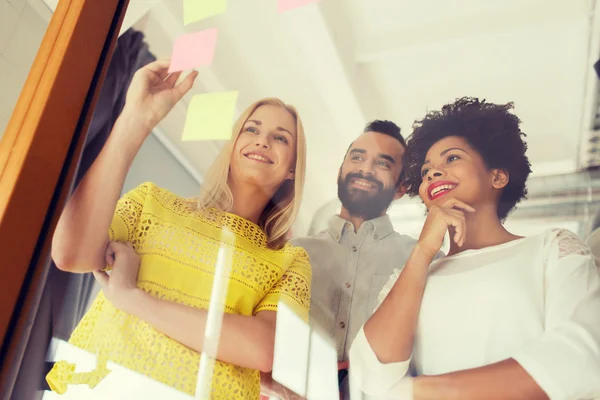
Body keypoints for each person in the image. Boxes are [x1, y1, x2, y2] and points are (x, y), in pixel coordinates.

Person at [45, 59, 311, 400]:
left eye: (280, 138)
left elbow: (262, 348)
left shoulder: (289, 261)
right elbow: (70, 254)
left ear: (292, 169)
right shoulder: (150, 202)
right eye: (252, 129)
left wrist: (132, 299)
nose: (262, 141)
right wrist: (135, 120)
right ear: (232, 145)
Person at [349, 97, 600, 400]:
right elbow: (371, 374)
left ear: (498, 176)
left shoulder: (553, 248)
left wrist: (421, 391)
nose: (433, 173)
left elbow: (580, 358)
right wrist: (423, 250)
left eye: (451, 159)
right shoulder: (408, 278)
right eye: (426, 170)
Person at [292, 120, 419, 397]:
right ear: (341, 170)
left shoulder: (420, 260)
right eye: (357, 157)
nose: (365, 169)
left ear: (402, 187)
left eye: (383, 164)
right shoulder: (293, 252)